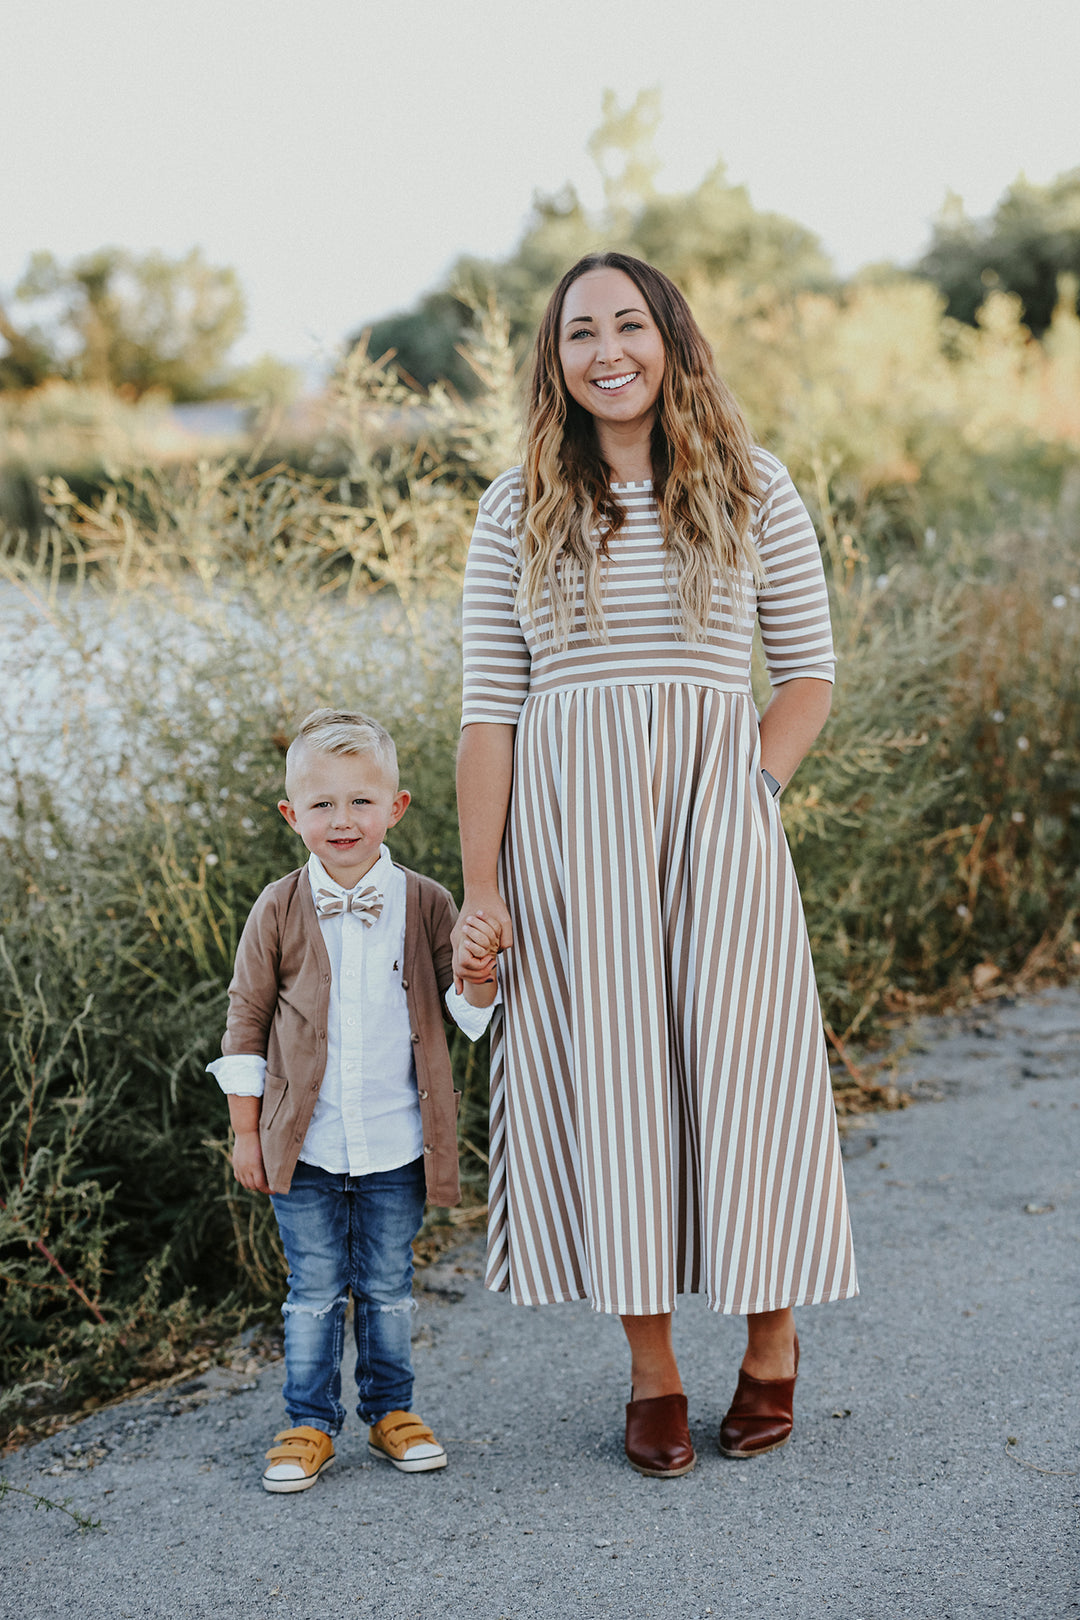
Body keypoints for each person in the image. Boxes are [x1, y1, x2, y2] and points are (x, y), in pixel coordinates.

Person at [451, 252, 857, 1478]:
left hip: (717, 827)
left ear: (670, 339)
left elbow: (809, 674)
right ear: (555, 359)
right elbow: (488, 715)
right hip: (572, 848)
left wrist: (752, 792)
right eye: (581, 331)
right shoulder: (513, 505)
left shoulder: (750, 484)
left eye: (630, 323)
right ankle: (653, 1371)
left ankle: (773, 1342)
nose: (607, 349)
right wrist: (483, 890)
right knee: (614, 1096)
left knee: (746, 1078)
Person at [208, 708, 497, 1493]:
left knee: (388, 1287)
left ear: (396, 807)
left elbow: (468, 1017)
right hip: (303, 1146)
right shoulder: (276, 907)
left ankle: (391, 1412)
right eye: (323, 804)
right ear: (291, 814)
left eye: (361, 801)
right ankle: (307, 1421)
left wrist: (481, 969)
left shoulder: (428, 902)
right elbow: (246, 1022)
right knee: (311, 1291)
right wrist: (245, 1134)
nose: (343, 820)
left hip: (396, 1142)